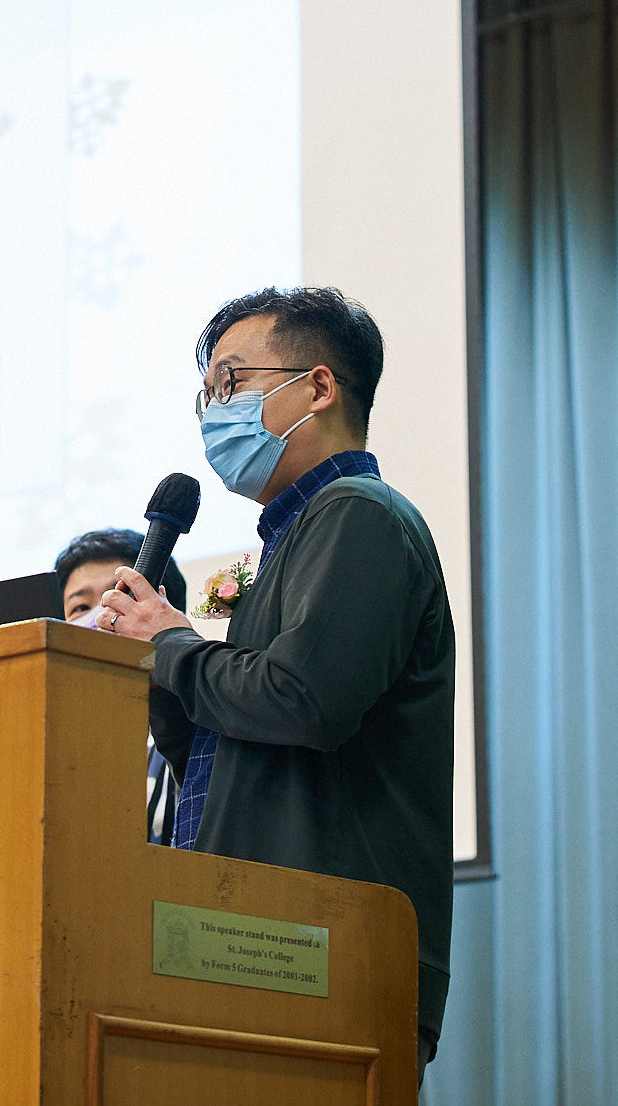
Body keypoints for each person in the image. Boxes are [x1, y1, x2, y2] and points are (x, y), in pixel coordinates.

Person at [96, 286, 455, 1077]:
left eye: (230, 383)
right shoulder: (285, 548)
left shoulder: (360, 514)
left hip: (320, 949)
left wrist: (174, 645)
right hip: (254, 942)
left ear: (318, 387)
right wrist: (157, 675)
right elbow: (232, 757)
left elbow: (305, 701)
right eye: (206, 396)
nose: (212, 413)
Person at [54, 528, 189, 846]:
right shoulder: (55, 744)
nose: (101, 618)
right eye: (80, 608)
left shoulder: (194, 729)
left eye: (122, 599)